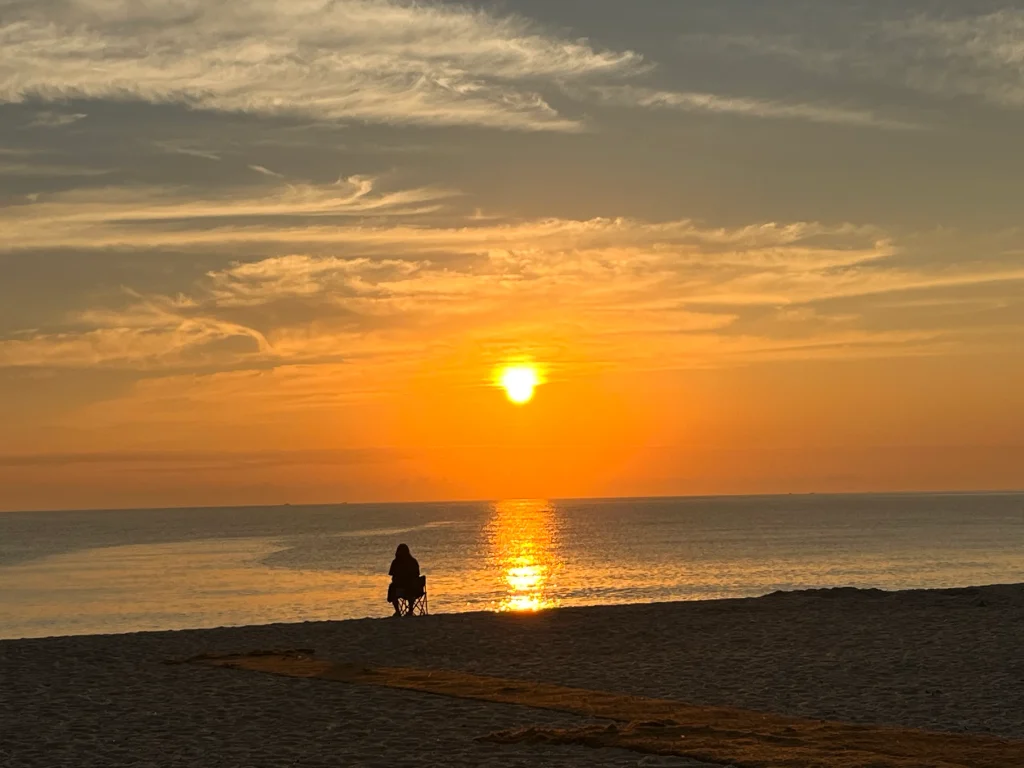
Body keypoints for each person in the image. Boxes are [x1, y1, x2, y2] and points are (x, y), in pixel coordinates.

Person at [387, 543, 421, 617]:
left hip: (409, 588)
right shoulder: (413, 561)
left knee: (393, 588)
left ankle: (398, 611)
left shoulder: (395, 562)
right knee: (396, 587)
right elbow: (417, 575)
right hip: (414, 589)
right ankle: (410, 610)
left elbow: (393, 577)